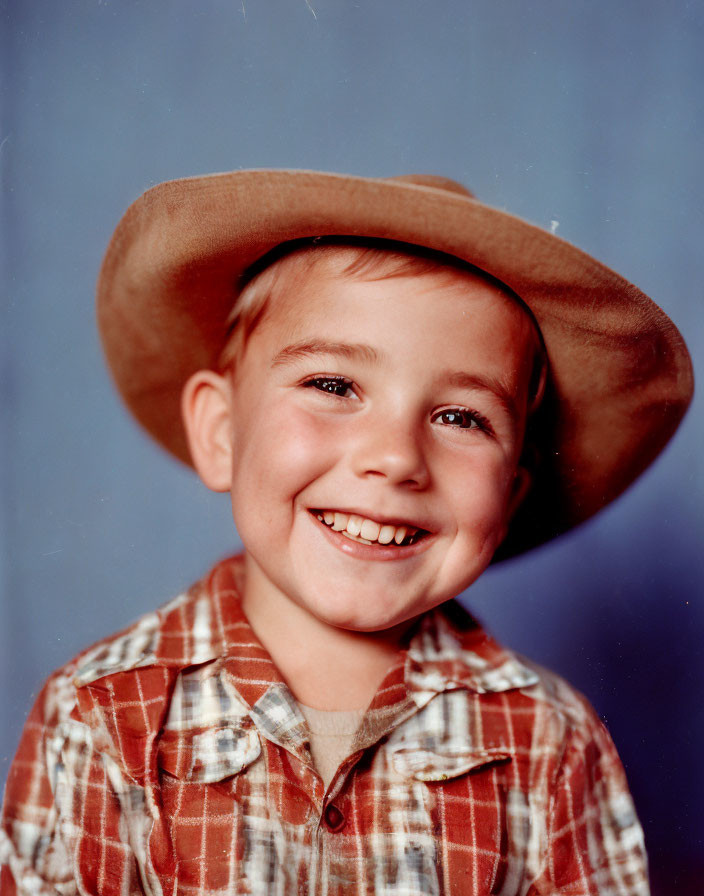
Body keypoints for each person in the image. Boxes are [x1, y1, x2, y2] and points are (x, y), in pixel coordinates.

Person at [0, 170, 693, 895]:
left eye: (462, 417)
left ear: (511, 495)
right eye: (334, 386)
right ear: (220, 431)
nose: (395, 457)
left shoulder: (553, 742)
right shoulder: (103, 716)